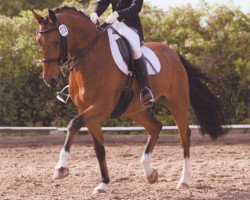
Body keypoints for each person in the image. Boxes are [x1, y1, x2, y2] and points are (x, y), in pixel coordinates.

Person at [57, 0, 154, 106]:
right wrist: (95, 13)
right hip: (113, 24)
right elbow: (103, 2)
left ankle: (146, 89)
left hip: (130, 26)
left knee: (135, 50)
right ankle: (73, 87)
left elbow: (136, 7)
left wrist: (118, 13)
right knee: (90, 44)